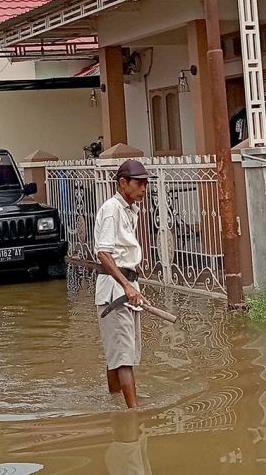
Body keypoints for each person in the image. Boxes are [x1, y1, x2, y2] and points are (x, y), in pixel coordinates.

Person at [95, 159, 151, 409]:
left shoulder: (130, 210)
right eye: (139, 183)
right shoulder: (111, 209)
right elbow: (103, 253)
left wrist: (133, 286)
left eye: (145, 183)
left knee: (117, 353)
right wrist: (127, 288)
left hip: (126, 284)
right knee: (123, 356)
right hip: (115, 290)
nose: (143, 188)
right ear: (122, 183)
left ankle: (115, 401)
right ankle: (133, 412)